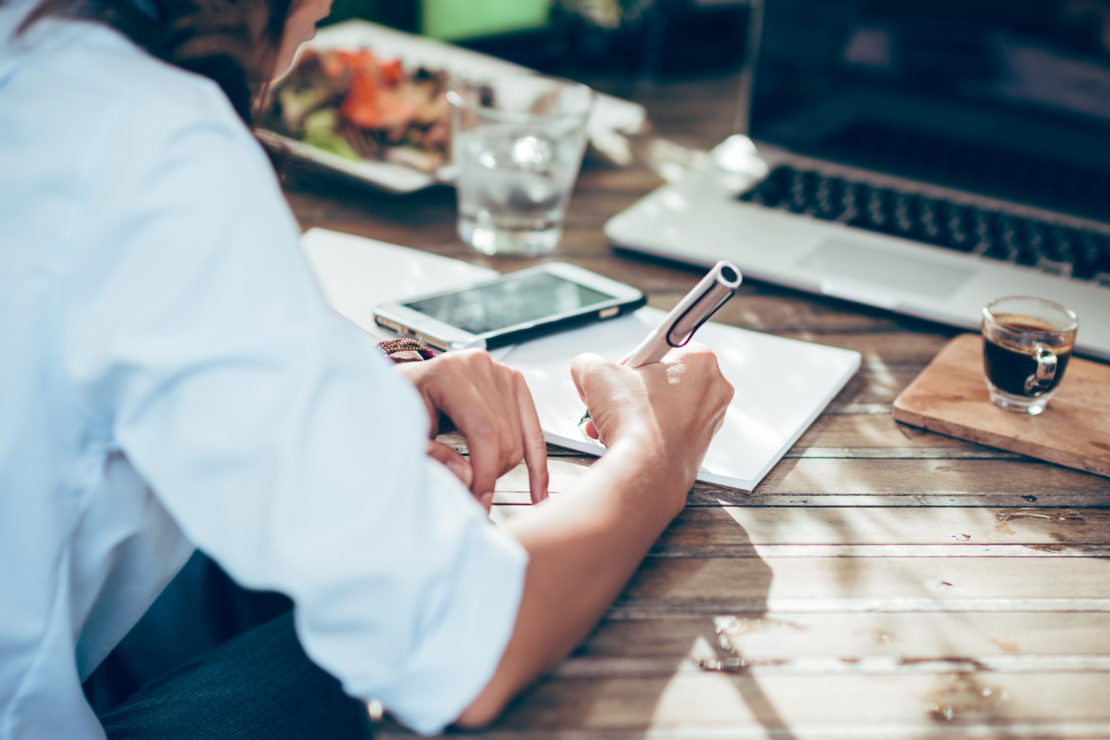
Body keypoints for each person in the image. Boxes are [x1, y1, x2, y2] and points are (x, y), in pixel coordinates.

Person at [0, 0, 734, 736]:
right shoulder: (151, 138)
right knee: (335, 665)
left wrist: (362, 394)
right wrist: (656, 457)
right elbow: (459, 645)